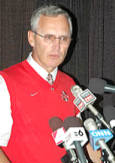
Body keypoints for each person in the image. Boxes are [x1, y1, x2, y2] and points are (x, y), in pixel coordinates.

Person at [0, 4, 101, 163]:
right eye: (49, 37)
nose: (57, 46)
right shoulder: (5, 82)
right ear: (31, 38)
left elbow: (81, 142)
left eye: (63, 38)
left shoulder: (70, 84)